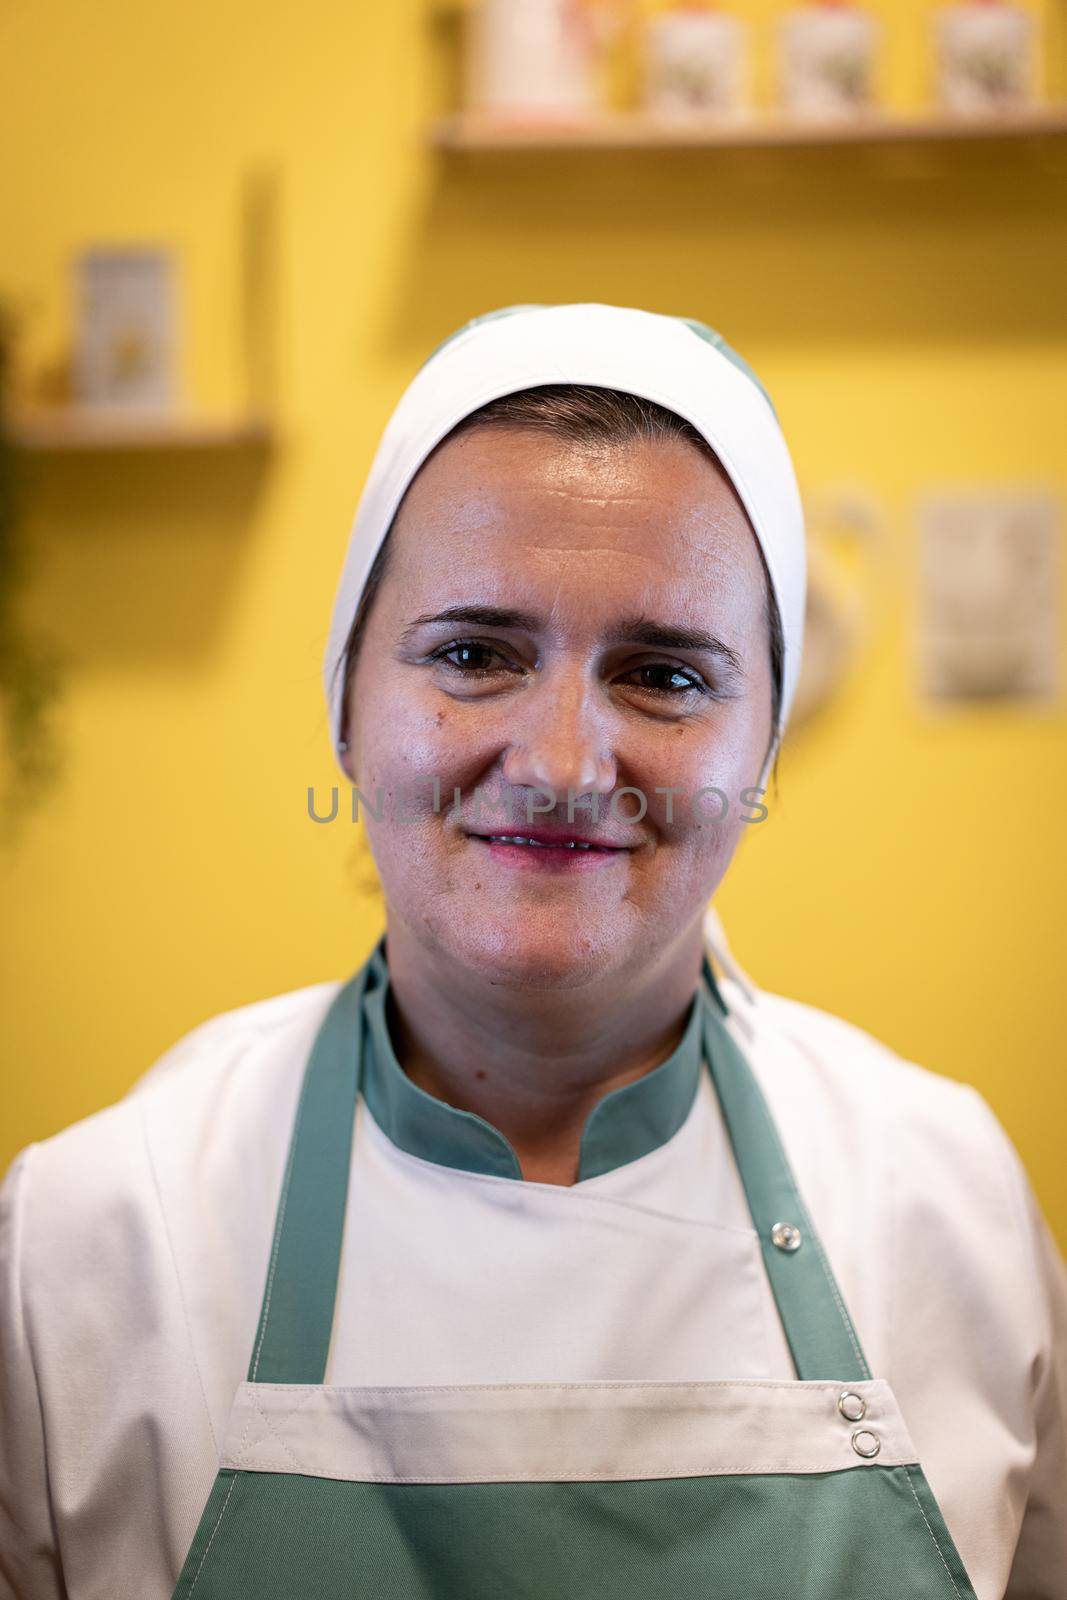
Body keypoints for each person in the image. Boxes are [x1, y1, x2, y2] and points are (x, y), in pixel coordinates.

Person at [1, 303, 1064, 1599]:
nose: (562, 765)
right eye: (473, 654)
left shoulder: (944, 1210)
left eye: (665, 676)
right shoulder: (101, 1248)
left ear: (765, 742)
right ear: (346, 703)